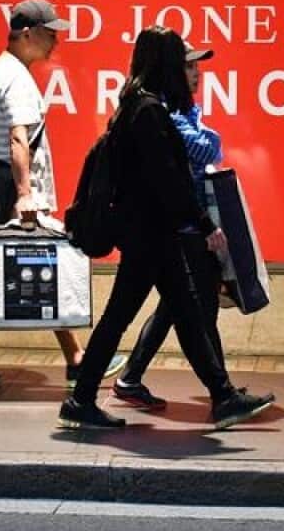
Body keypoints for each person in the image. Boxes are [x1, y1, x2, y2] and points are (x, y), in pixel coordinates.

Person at [58, 25, 273, 430]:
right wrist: (204, 222)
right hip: (151, 234)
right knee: (152, 314)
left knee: (183, 312)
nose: (187, 71)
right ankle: (84, 398)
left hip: (150, 234)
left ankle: (221, 395)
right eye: (179, 62)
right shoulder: (149, 112)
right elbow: (168, 179)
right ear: (165, 64)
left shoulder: (134, 105)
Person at [0, 0, 125, 388]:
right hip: (20, 197)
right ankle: (77, 359)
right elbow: (17, 138)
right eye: (48, 32)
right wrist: (26, 194)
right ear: (26, 34)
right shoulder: (18, 79)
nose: (55, 40)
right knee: (49, 269)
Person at [112, 41, 228, 410]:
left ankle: (128, 378)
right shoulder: (162, 114)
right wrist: (204, 223)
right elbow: (207, 149)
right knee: (197, 306)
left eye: (198, 67)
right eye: (189, 67)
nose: (197, 74)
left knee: (176, 305)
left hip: (180, 225)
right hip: (178, 226)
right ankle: (223, 393)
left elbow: (204, 144)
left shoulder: (179, 112)